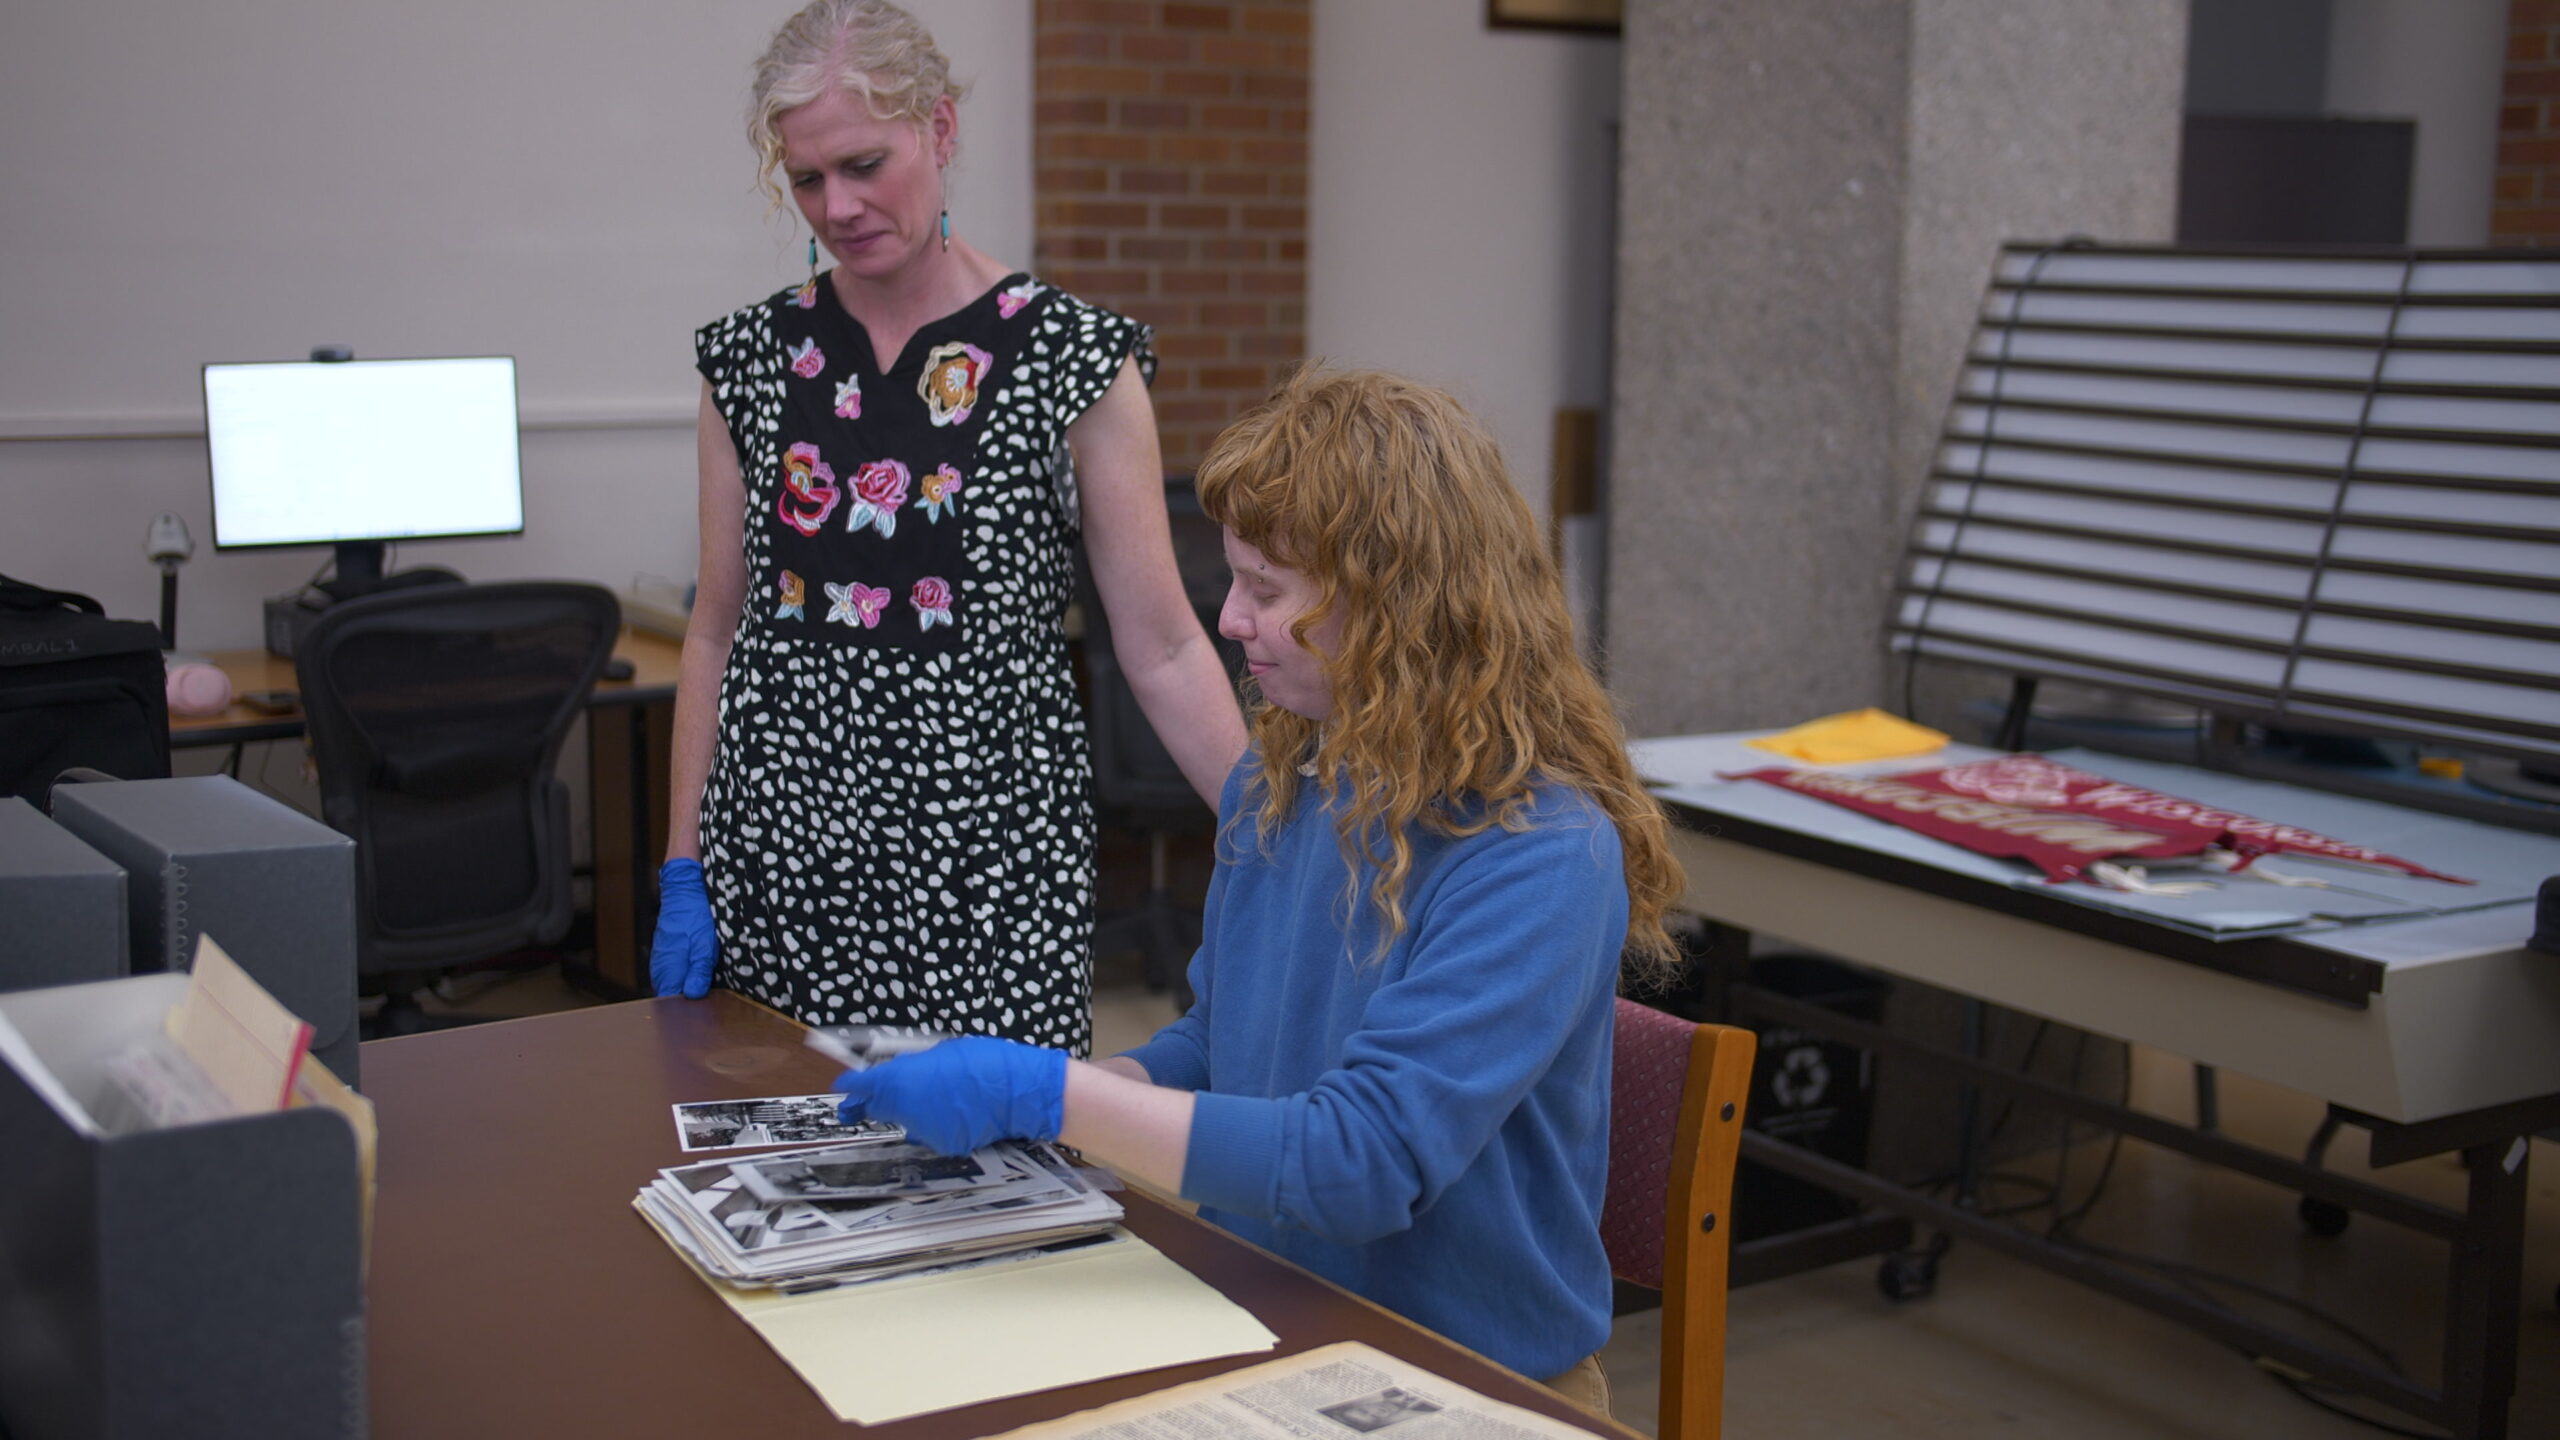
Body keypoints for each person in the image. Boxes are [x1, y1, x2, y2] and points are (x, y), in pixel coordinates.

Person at [830, 368, 1688, 1402]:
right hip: (1269, 1317)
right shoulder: (1287, 782)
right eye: (1234, 581)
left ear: (1394, 605)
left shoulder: (1541, 853)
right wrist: (1061, 1107)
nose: (1228, 620)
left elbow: (1362, 1164)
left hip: (1468, 1378)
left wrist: (1049, 1094)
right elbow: (1219, 1041)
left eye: (1267, 592)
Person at [651, 0, 1245, 1052]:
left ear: (941, 129)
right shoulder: (747, 363)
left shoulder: (1072, 360)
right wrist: (683, 861)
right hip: (785, 865)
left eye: (865, 164)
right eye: (806, 179)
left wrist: (1266, 833)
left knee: (1001, 1185)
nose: (838, 205)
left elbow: (1159, 642)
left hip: (989, 877)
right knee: (788, 1183)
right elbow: (714, 628)